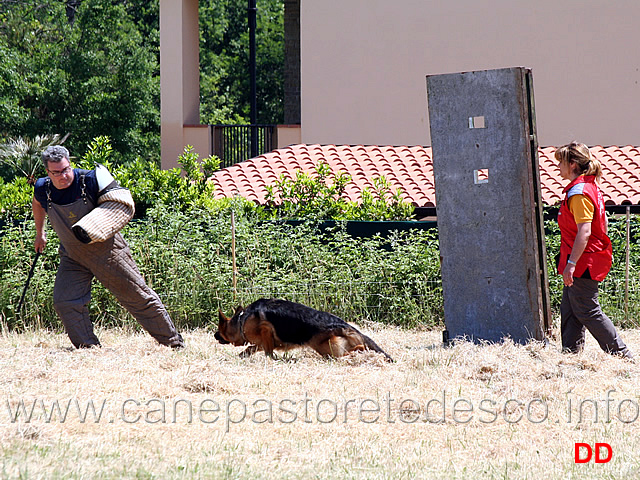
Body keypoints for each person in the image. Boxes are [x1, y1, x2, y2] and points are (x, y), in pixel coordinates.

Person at [32, 145, 184, 349]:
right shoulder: (43, 188)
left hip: (108, 253)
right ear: (48, 172)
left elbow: (119, 202)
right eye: (56, 172)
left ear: (70, 163)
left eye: (66, 169)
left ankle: (173, 343)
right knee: (65, 301)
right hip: (72, 255)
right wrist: (40, 233)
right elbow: (37, 203)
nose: (63, 175)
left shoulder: (90, 180)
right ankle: (88, 348)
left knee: (137, 297)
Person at [554, 141, 631, 359]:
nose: (558, 168)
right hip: (584, 259)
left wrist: (571, 264)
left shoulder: (578, 193)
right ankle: (570, 356)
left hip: (583, 262)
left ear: (572, 165)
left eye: (561, 163)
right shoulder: (590, 187)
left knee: (587, 310)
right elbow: (603, 222)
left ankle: (622, 355)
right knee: (570, 309)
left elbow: (584, 232)